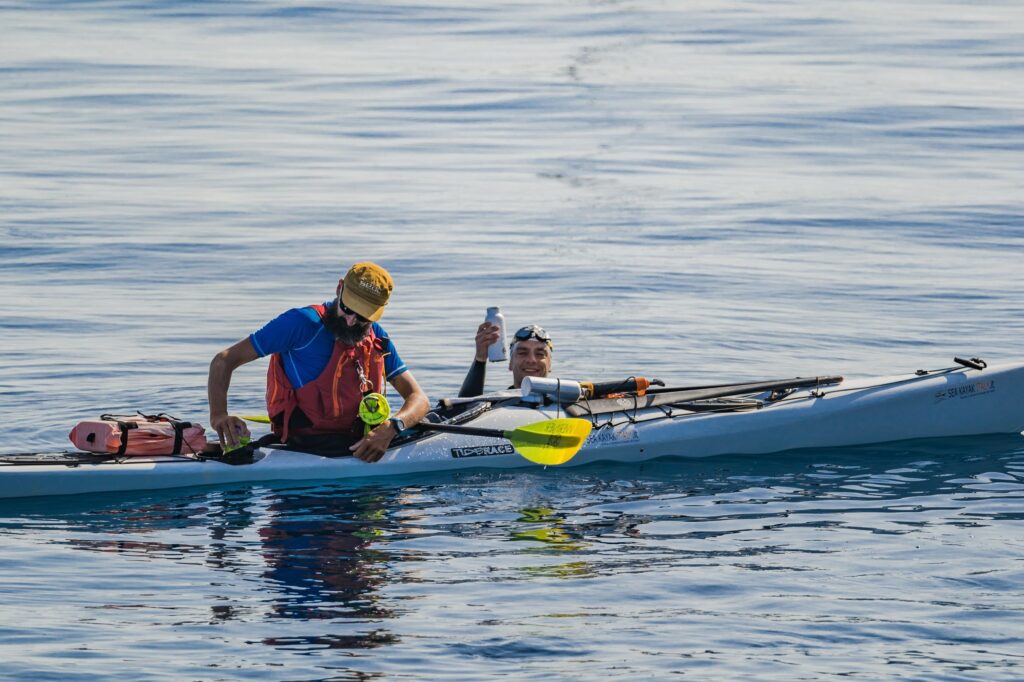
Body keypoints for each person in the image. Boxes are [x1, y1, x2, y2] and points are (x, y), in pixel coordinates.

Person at [208, 261, 430, 462]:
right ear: (339, 288)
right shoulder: (301, 324)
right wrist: (219, 415)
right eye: (348, 308)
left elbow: (418, 398)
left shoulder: (378, 338)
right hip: (302, 449)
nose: (352, 321)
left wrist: (391, 428)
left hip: (359, 449)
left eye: (363, 317)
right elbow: (224, 360)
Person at [458, 323, 553, 397]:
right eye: (522, 353)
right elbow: (462, 411)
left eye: (540, 354)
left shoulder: (564, 404)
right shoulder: (495, 404)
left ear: (550, 364)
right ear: (510, 363)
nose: (531, 360)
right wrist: (480, 359)